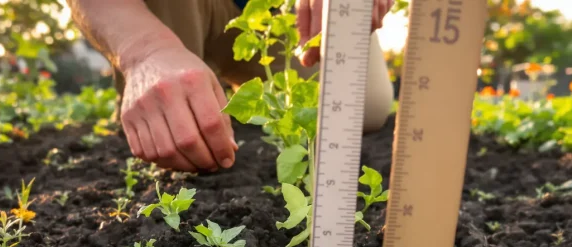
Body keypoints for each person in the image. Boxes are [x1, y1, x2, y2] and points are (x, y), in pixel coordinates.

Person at [67, 0, 395, 172]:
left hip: (274, 13)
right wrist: (146, 50)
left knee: (363, 107)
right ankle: (177, 84)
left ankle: (217, 101)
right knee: (180, 137)